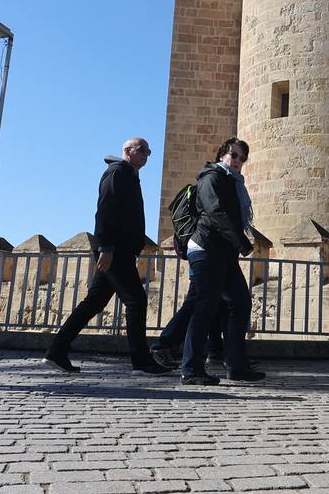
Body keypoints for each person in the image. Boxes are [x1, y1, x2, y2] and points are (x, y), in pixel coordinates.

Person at [44, 138, 171, 375]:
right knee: (136, 300)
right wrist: (106, 247)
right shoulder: (117, 172)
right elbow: (105, 209)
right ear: (127, 151)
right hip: (115, 251)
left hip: (119, 250)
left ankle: (56, 351)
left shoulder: (129, 174)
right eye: (142, 150)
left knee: (95, 302)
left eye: (148, 152)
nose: (147, 155)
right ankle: (141, 361)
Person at [175, 138, 264, 385]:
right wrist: (242, 242)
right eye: (234, 156)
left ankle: (236, 365)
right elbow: (216, 213)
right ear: (222, 154)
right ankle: (190, 368)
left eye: (242, 159)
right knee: (204, 307)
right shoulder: (211, 177)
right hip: (205, 249)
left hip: (223, 253)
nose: (238, 162)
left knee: (240, 302)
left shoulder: (233, 183)